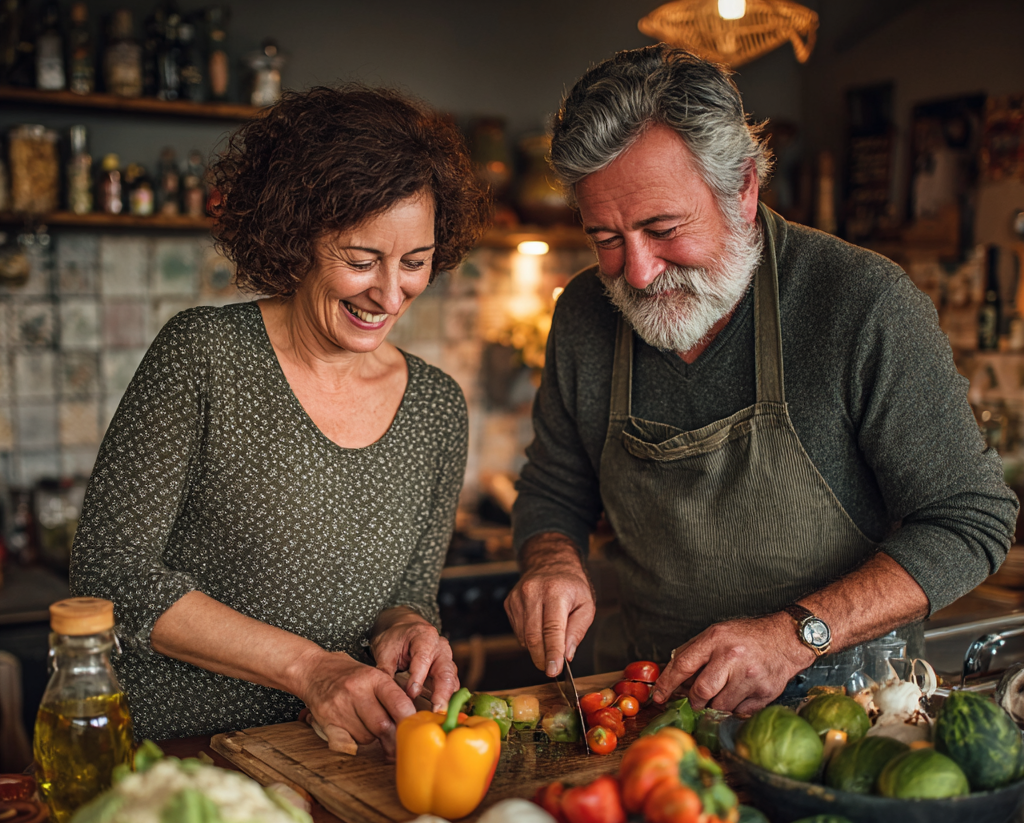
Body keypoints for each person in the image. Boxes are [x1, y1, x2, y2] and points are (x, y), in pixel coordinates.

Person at [505, 46, 1017, 715]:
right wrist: (550, 560)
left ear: (743, 188)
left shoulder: (861, 304)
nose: (634, 272)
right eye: (605, 237)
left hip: (846, 722)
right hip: (649, 712)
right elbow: (553, 488)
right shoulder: (583, 316)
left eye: (663, 229)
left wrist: (796, 634)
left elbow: (971, 519)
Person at [71, 86, 490, 753]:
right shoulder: (204, 355)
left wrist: (405, 627)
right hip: (185, 756)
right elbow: (111, 573)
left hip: (340, 756)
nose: (390, 293)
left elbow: (408, 592)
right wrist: (312, 671)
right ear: (297, 238)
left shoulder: (436, 409)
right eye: (361, 260)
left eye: (415, 262)